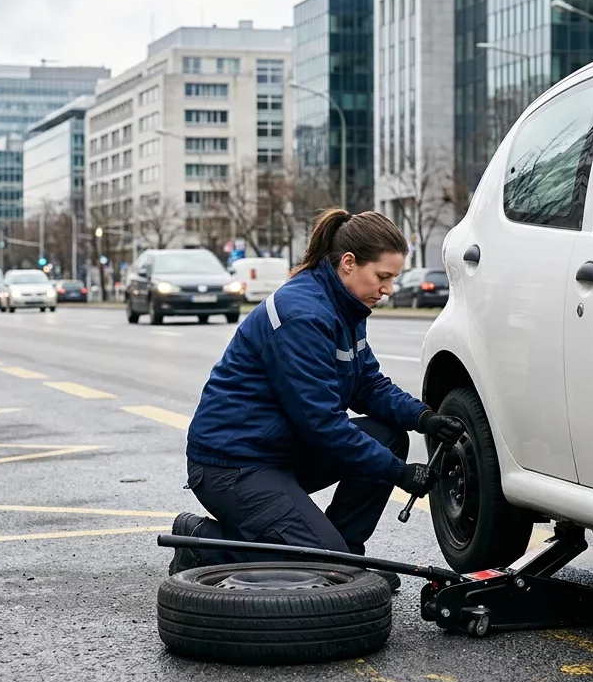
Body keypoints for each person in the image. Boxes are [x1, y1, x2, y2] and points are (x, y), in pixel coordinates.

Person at [170, 209, 465, 591]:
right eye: (383, 276)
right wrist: (398, 474)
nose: (389, 288)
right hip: (232, 467)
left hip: (280, 452)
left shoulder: (346, 306)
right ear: (348, 264)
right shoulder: (304, 316)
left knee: (388, 435)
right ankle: (203, 544)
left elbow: (367, 385)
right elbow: (322, 424)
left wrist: (424, 417)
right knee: (320, 567)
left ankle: (344, 555)